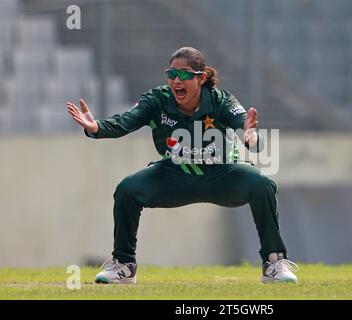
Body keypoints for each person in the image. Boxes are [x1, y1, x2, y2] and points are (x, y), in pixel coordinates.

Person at [67, 47, 298, 284]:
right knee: (128, 190)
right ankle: (123, 266)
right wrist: (96, 128)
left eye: (185, 75)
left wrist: (252, 136)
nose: (177, 80)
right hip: (175, 173)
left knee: (262, 184)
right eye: (172, 74)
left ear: (201, 77)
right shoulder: (157, 100)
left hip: (223, 173)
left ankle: (273, 265)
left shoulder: (221, 100)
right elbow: (126, 121)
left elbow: (245, 125)